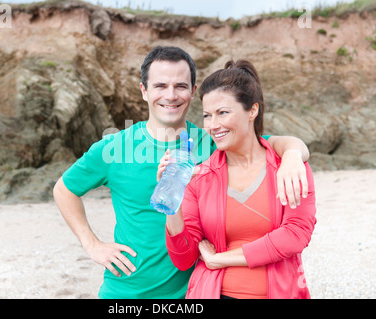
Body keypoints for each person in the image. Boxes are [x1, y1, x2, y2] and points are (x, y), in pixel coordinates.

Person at [53, 46, 311, 299]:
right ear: (144, 91)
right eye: (160, 86)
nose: (171, 95)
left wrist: (291, 154)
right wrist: (92, 245)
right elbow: (64, 190)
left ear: (193, 91)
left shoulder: (213, 142)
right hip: (127, 289)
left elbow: (263, 144)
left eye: (181, 86)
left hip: (195, 289)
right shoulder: (114, 148)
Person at [162, 59, 317, 299]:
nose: (213, 125)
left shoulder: (289, 166)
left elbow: (296, 235)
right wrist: (172, 197)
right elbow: (184, 259)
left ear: (252, 110)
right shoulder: (200, 176)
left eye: (223, 112)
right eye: (207, 115)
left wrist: (219, 259)